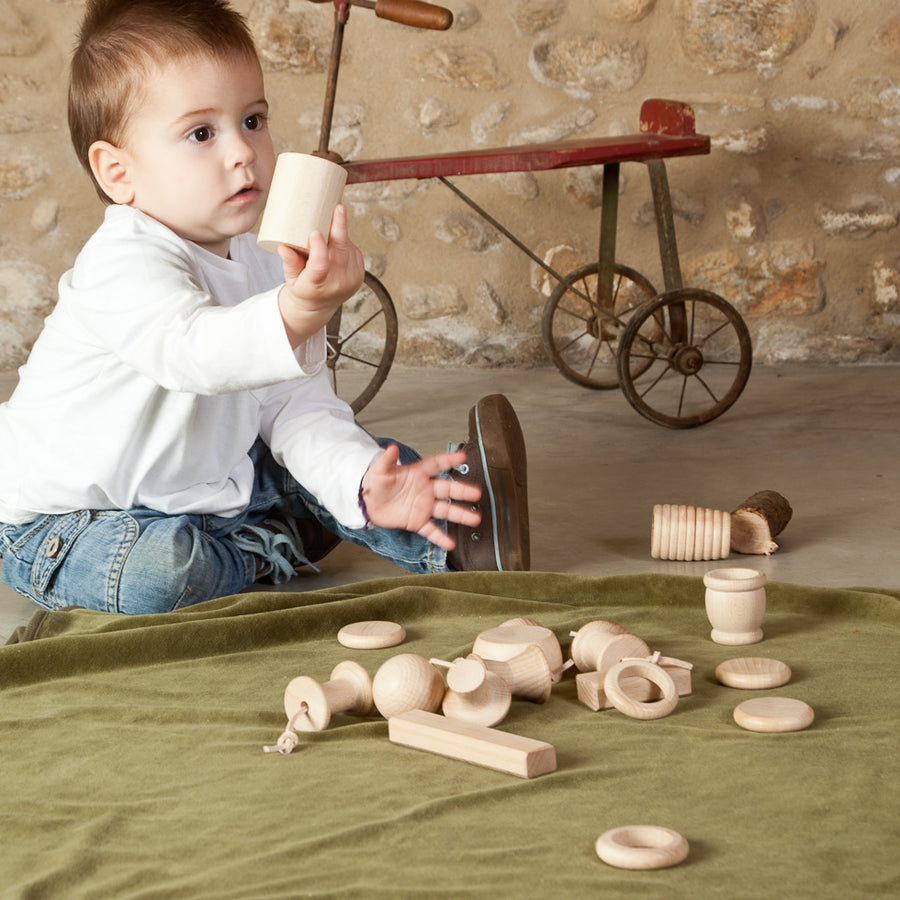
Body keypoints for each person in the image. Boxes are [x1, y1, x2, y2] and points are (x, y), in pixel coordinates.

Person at [0, 0, 529, 616]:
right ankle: (267, 543)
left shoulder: (255, 256)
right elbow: (195, 352)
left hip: (205, 483)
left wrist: (360, 481)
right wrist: (301, 310)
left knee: (363, 467)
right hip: (70, 520)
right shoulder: (122, 261)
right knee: (159, 572)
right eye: (202, 133)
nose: (242, 152)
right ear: (119, 173)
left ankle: (459, 530)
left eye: (252, 120)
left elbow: (296, 405)